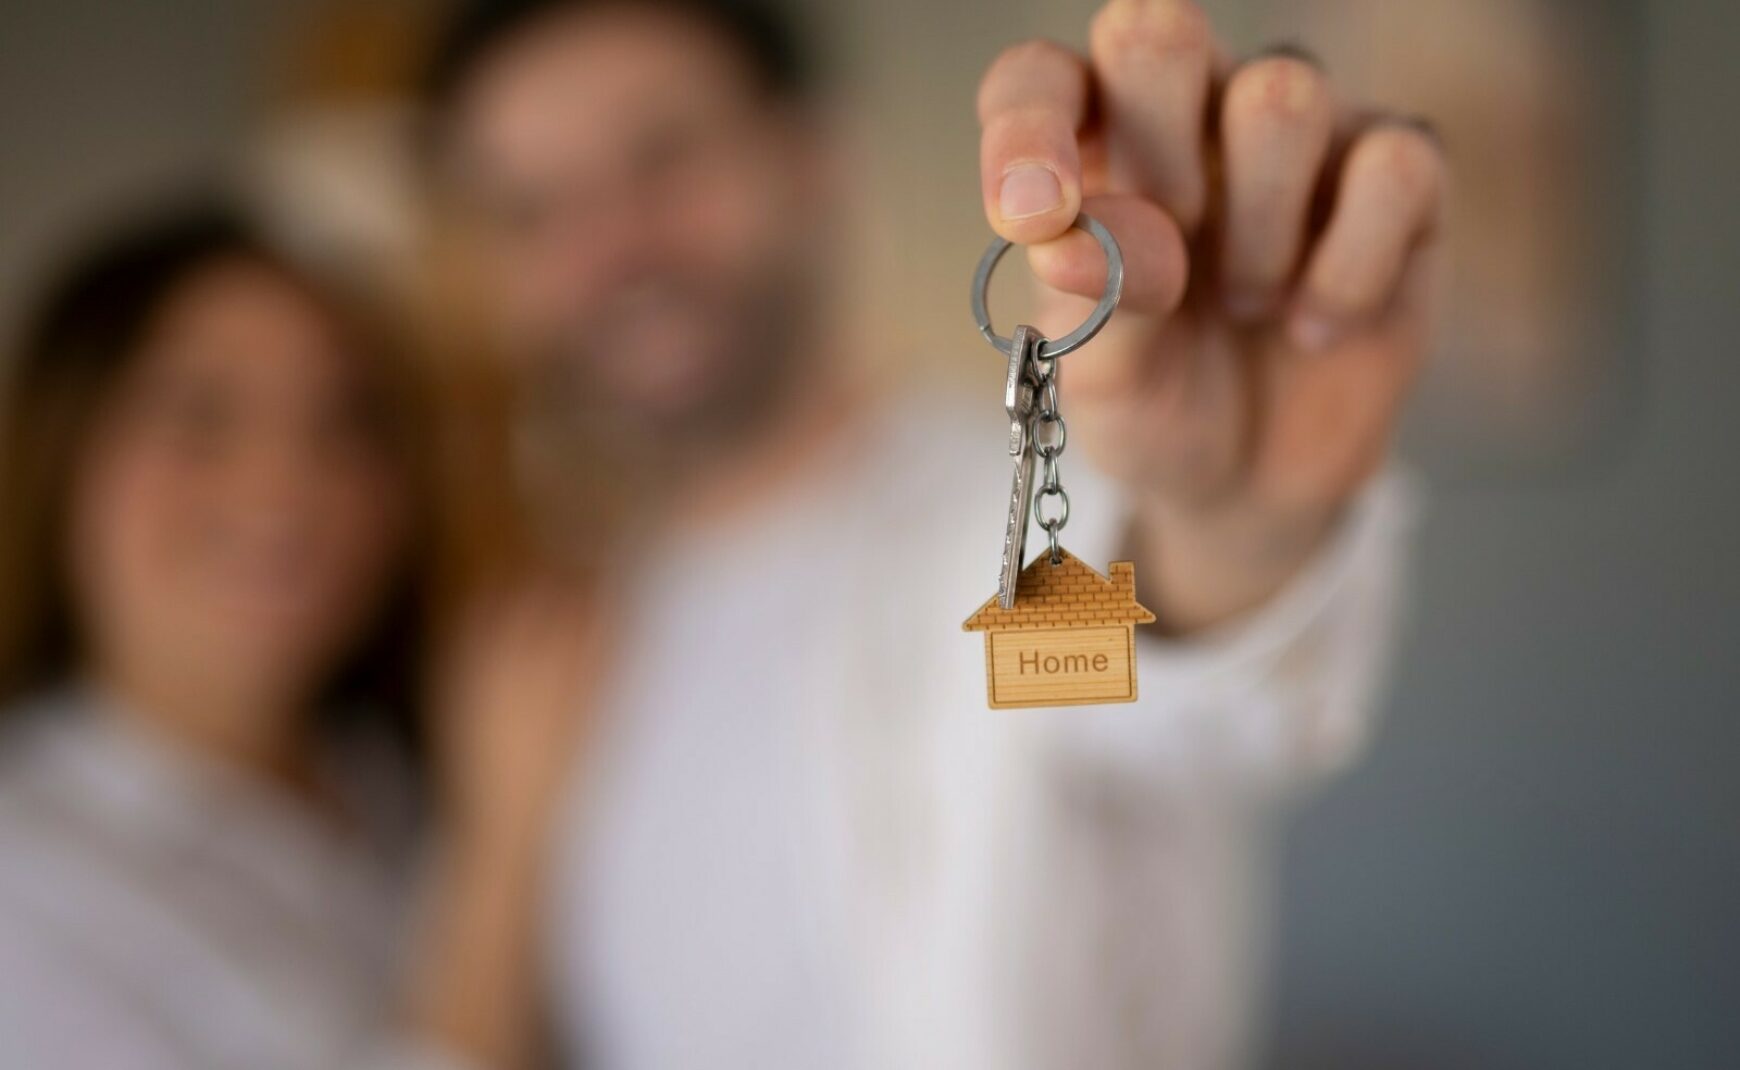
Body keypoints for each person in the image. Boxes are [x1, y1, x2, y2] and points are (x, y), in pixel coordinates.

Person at [420, 0, 1439, 1066]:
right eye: (531, 208)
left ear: (810, 158)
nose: (610, 244)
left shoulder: (1016, 538)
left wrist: (1233, 523)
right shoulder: (541, 655)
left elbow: (1165, 668)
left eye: (661, 155)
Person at [0, 204, 593, 1070]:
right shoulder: (29, 880)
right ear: (62, 454)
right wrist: (500, 861)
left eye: (346, 422)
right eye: (199, 414)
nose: (288, 482)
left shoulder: (393, 773)